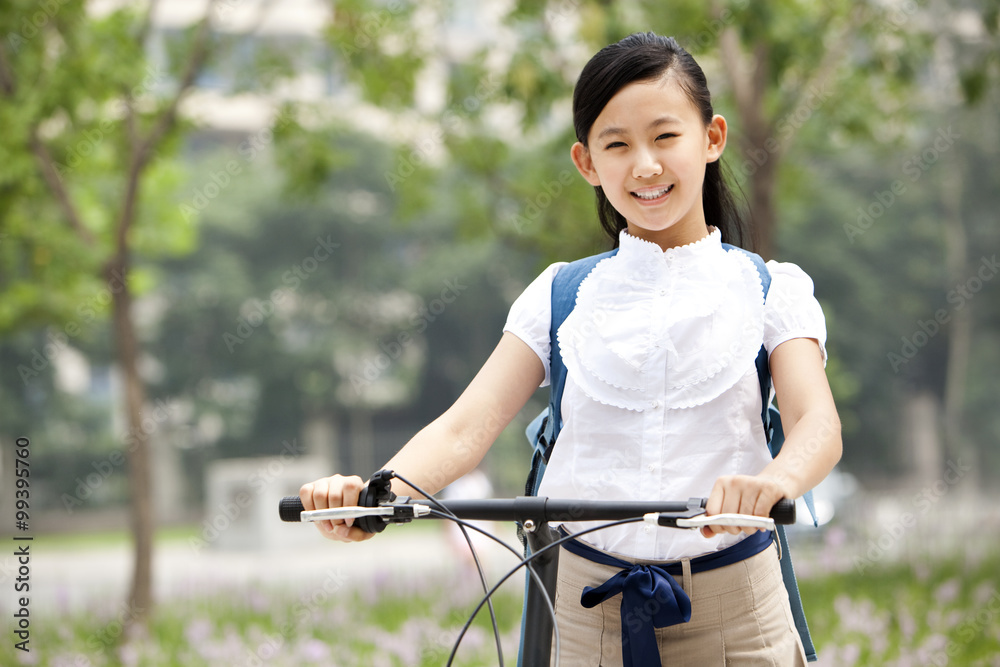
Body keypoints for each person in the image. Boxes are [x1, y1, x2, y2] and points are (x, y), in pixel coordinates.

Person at [300, 31, 842, 666]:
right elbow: (464, 430)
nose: (645, 165)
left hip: (739, 614)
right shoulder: (559, 294)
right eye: (617, 144)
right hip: (587, 618)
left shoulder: (773, 287)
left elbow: (817, 424)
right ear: (587, 162)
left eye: (666, 136)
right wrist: (374, 494)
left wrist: (773, 482)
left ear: (712, 138)